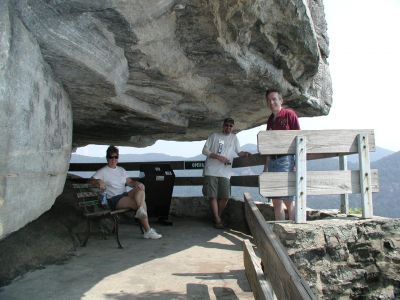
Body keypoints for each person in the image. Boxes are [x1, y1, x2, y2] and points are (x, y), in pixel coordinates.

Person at [90, 145, 162, 239]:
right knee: (139, 203)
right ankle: (148, 230)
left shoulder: (121, 170)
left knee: (140, 189)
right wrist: (98, 181)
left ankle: (141, 211)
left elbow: (130, 182)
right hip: (114, 199)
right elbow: (90, 181)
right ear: (107, 158)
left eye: (116, 157)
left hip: (124, 194)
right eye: (111, 157)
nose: (113, 159)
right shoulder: (103, 171)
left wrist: (137, 183)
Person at [202, 118, 251, 228]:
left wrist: (245, 154)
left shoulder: (234, 138)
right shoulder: (214, 135)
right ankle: (218, 220)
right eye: (226, 125)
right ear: (223, 125)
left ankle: (217, 217)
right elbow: (204, 150)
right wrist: (218, 157)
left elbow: (239, 152)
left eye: (230, 126)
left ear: (233, 127)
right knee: (212, 196)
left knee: (225, 196)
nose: (228, 127)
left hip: (225, 172)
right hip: (211, 170)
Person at [264, 89, 300, 221]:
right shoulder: (270, 120)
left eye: (274, 99)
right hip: (273, 161)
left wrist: (297, 163)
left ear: (281, 100)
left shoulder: (289, 114)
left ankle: (294, 231)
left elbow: (299, 139)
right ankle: (280, 231)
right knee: (276, 200)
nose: (271, 102)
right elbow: (268, 145)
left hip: (286, 160)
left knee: (288, 198)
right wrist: (266, 166)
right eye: (269, 100)